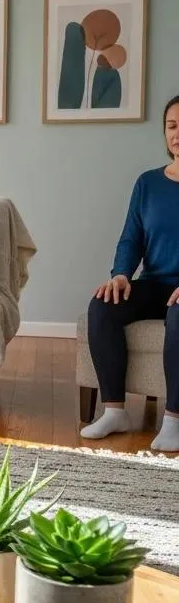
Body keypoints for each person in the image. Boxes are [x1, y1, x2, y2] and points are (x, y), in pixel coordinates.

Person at [80, 94, 179, 451]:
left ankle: (173, 420)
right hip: (155, 284)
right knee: (102, 305)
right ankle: (114, 410)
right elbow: (131, 238)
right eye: (172, 126)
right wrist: (121, 274)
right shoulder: (148, 183)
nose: (177, 133)